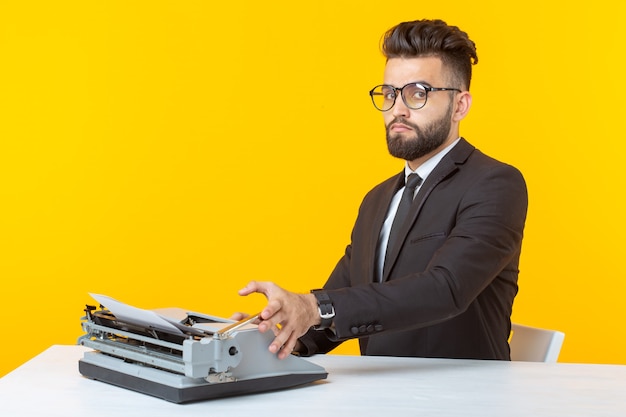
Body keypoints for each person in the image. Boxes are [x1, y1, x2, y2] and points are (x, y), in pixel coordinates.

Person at [237, 19, 528, 361]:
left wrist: (314, 306)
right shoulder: (377, 199)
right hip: (380, 395)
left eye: (418, 93)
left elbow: (445, 289)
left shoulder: (495, 184)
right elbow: (342, 300)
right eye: (390, 94)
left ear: (460, 105)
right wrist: (283, 332)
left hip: (461, 398)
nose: (397, 109)